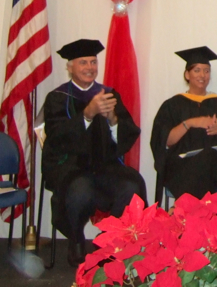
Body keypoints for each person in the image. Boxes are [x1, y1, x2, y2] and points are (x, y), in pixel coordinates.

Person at [42, 39, 146, 267]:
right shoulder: (57, 98)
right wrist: (87, 114)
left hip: (105, 165)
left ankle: (109, 240)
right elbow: (57, 138)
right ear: (70, 67)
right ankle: (76, 239)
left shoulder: (108, 94)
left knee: (132, 186)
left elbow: (128, 134)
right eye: (83, 63)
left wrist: (113, 120)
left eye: (93, 61)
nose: (90, 67)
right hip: (70, 166)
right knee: (81, 190)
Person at [150, 46, 217, 210]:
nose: (202, 75)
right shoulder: (172, 105)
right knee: (208, 159)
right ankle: (210, 218)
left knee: (211, 157)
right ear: (187, 74)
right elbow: (164, 140)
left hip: (216, 169)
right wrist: (191, 123)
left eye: (206, 71)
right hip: (182, 169)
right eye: (197, 70)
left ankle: (182, 211)